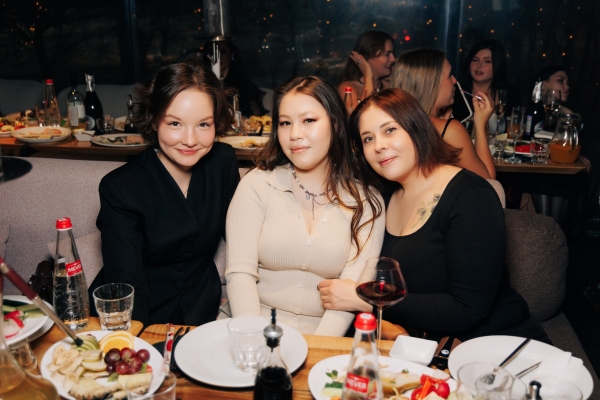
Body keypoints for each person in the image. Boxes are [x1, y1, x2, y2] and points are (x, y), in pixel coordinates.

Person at [349, 88, 550, 343]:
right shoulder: (383, 200)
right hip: (426, 347)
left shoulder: (471, 196)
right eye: (368, 138)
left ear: (416, 128)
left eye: (389, 130)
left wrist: (369, 302)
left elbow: (467, 310)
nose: (379, 146)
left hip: (501, 346)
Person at [225, 76, 385, 336]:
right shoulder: (257, 185)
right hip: (249, 332)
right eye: (285, 123)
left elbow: (349, 293)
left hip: (324, 339)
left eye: (309, 120)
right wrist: (253, 342)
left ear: (335, 123)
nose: (295, 134)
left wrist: (316, 350)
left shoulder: (367, 202)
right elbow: (240, 274)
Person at [93, 62, 240, 326]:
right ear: (154, 120)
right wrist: (137, 339)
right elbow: (127, 281)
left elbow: (243, 236)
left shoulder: (222, 162)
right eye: (175, 123)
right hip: (139, 314)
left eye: (203, 125)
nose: (190, 140)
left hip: (202, 309)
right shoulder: (120, 187)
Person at [390, 48, 496, 179]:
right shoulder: (450, 129)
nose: (455, 81)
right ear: (431, 83)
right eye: (449, 75)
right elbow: (487, 181)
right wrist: (480, 124)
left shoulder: (392, 124)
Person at [453, 39, 519, 134]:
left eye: (487, 61)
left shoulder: (509, 93)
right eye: (475, 60)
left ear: (498, 65)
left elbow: (517, 129)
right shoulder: (457, 93)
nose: (479, 66)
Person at [202, 39, 268, 117]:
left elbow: (258, 118)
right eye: (212, 52)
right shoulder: (202, 84)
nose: (217, 57)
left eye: (222, 52)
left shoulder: (245, 87)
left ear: (232, 54)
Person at [337, 31, 396, 111]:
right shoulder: (348, 88)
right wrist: (368, 76)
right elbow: (364, 115)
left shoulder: (387, 84)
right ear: (367, 58)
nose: (393, 59)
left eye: (393, 53)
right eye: (387, 54)